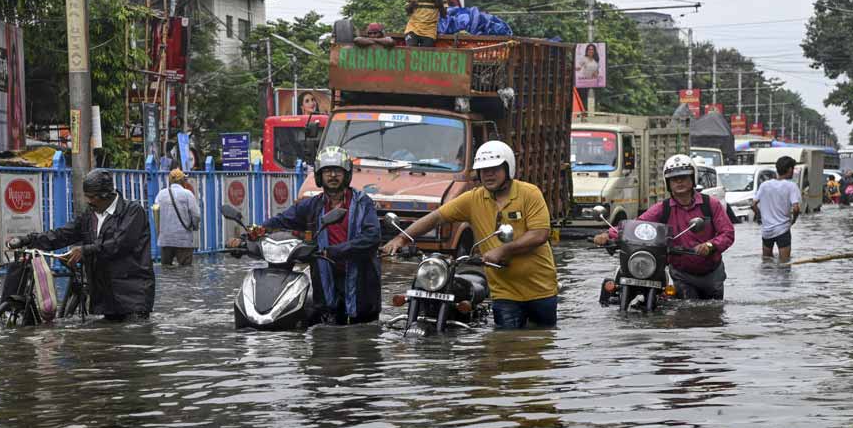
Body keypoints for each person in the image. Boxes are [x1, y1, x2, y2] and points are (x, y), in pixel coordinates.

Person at [382, 141, 560, 329]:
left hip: (540, 288)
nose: (488, 174)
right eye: (484, 170)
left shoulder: (529, 193)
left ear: (508, 168)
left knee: (543, 341)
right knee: (507, 347)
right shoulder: (473, 199)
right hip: (504, 292)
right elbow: (436, 217)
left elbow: (540, 234)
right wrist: (402, 238)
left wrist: (502, 250)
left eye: (494, 169)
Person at [228, 146, 381, 325]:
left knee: (362, 333)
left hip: (361, 280)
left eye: (337, 171)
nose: (332, 176)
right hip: (325, 278)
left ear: (346, 174)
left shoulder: (363, 203)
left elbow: (372, 238)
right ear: (319, 175)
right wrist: (248, 237)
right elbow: (280, 221)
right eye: (327, 171)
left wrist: (332, 252)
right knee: (325, 331)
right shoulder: (312, 206)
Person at [7, 169, 155, 320]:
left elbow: (118, 244)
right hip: (105, 297)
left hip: (132, 296)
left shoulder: (133, 212)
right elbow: (62, 234)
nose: (88, 201)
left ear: (106, 195)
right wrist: (29, 240)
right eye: (87, 196)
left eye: (92, 197)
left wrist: (84, 250)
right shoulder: (89, 215)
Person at [594, 154, 735, 300]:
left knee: (714, 315)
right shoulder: (663, 208)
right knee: (685, 313)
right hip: (681, 274)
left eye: (684, 177)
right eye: (674, 179)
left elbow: (728, 233)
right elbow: (637, 225)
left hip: (711, 273)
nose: (679, 181)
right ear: (668, 182)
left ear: (693, 178)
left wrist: (710, 245)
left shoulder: (711, 205)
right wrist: (608, 235)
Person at [751, 155, 801, 263]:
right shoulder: (791, 186)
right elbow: (796, 208)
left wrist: (760, 217)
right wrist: (794, 220)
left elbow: (753, 204)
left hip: (767, 231)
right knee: (785, 264)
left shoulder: (765, 185)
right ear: (789, 169)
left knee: (767, 263)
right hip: (783, 230)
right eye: (793, 168)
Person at [154, 168, 201, 266]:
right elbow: (196, 215)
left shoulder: (160, 194)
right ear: (182, 181)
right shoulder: (187, 194)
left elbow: (155, 213)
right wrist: (194, 227)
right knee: (186, 271)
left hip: (165, 239)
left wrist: (160, 232)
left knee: (166, 271)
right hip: (183, 239)